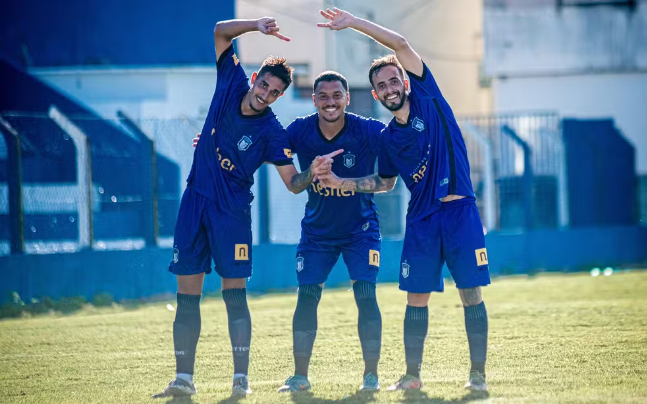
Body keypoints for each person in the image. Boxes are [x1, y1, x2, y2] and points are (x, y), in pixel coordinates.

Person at [154, 17, 341, 398]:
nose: (265, 94)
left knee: (233, 294)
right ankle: (183, 380)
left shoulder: (272, 131)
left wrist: (313, 173)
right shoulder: (231, 81)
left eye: (274, 93)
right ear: (254, 78)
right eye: (264, 85)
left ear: (279, 97)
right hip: (195, 203)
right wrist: (256, 25)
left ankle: (241, 379)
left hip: (232, 214)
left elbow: (292, 183)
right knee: (186, 294)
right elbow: (220, 30)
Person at [316, 8, 491, 392]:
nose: (390, 87)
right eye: (382, 85)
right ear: (376, 94)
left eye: (394, 79)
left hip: (459, 212)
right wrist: (341, 182)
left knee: (470, 292)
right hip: (422, 221)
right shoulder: (387, 139)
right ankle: (412, 376)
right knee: (416, 298)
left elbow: (400, 44)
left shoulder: (430, 98)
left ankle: (477, 376)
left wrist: (354, 23)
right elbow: (384, 183)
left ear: (406, 83)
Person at [277, 71, 396, 393]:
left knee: (366, 294)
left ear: (347, 97)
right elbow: (290, 182)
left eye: (336, 95)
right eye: (323, 96)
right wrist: (310, 172)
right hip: (317, 234)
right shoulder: (300, 131)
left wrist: (343, 183)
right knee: (307, 298)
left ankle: (371, 377)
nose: (330, 102)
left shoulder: (368, 130)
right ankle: (300, 376)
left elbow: (388, 181)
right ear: (314, 99)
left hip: (361, 231)